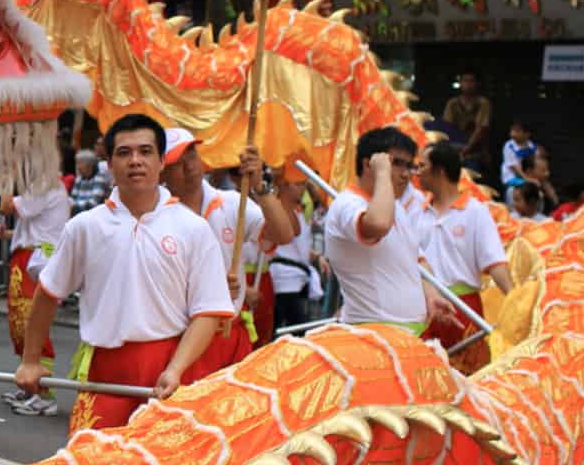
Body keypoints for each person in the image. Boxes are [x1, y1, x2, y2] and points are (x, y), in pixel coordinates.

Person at [16, 113, 234, 432]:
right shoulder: (85, 227)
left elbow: (208, 311)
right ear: (109, 165)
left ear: (161, 162)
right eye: (124, 153)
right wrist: (30, 360)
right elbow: (48, 293)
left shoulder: (194, 229)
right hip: (105, 375)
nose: (135, 161)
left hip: (169, 377)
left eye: (145, 152)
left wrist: (175, 370)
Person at [160, 128, 295, 380]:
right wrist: (211, 291)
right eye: (177, 163)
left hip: (230, 334)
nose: (189, 166)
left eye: (191, 155)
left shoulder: (232, 202)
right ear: (162, 173)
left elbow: (283, 235)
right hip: (183, 339)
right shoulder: (157, 215)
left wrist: (259, 187)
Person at [323, 127, 456, 334]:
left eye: (408, 166)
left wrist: (431, 294)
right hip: (374, 334)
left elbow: (417, 261)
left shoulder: (398, 210)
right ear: (369, 164)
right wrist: (383, 174)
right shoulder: (346, 203)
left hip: (409, 333)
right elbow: (378, 225)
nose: (405, 174)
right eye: (396, 163)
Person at [417, 141, 514, 373]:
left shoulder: (475, 212)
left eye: (422, 166)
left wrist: (515, 301)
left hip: (462, 308)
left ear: (439, 171)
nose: (417, 171)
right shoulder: (416, 212)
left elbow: (495, 263)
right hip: (422, 306)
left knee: (465, 377)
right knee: (423, 375)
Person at [0, 177, 73, 417]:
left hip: (35, 260)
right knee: (21, 324)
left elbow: (6, 206)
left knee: (31, 323)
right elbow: (33, 228)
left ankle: (43, 394)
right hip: (29, 256)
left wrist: (5, 182)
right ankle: (30, 388)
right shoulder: (42, 185)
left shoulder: (45, 183)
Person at [267, 181, 318, 333]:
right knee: (297, 332)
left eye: (304, 184)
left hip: (298, 278)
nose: (303, 188)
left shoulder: (300, 211)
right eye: (298, 184)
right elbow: (292, 233)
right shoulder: (276, 211)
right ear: (284, 185)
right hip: (283, 279)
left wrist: (317, 257)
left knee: (295, 331)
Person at [441, 70, 494, 175]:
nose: (468, 84)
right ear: (460, 83)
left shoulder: (483, 103)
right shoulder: (452, 103)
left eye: (471, 81)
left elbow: (481, 129)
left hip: (475, 152)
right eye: (465, 81)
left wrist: (467, 149)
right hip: (454, 149)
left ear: (477, 84)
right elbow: (447, 127)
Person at [499, 119, 534, 204]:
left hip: (525, 175)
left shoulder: (531, 145)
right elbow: (514, 167)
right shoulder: (509, 146)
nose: (513, 133)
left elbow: (533, 161)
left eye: (517, 131)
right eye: (512, 130)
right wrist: (527, 179)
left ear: (527, 134)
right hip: (511, 177)